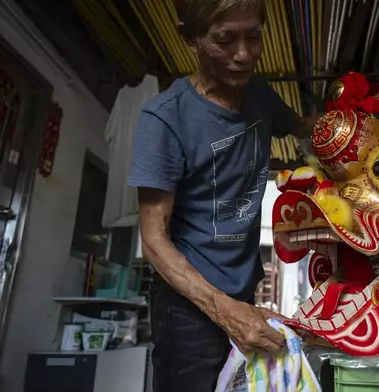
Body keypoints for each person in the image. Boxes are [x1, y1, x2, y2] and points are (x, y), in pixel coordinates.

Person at [127, 0, 319, 390]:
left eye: (253, 36)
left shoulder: (260, 94)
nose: (243, 54)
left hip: (241, 291)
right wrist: (224, 310)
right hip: (186, 305)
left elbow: (301, 126)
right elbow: (153, 239)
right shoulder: (164, 118)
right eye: (224, 39)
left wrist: (362, 116)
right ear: (190, 38)